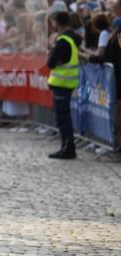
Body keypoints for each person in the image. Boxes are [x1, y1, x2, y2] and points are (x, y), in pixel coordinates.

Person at [46, 10, 79, 160]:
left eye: (53, 22)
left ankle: (68, 148)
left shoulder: (63, 41)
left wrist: (52, 49)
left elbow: (51, 63)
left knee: (63, 118)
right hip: (66, 83)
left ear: (56, 23)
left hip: (63, 84)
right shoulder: (70, 38)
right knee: (64, 117)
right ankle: (67, 146)